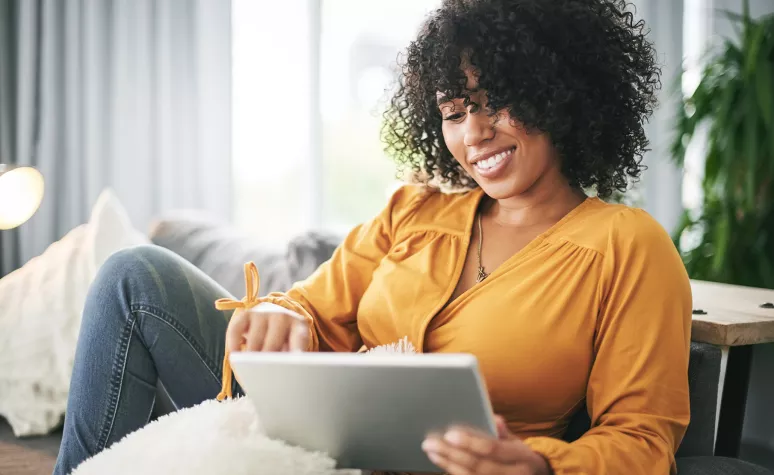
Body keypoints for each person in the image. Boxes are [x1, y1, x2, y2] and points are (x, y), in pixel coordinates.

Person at [54, 0, 692, 474]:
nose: (474, 135)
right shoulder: (415, 208)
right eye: (453, 112)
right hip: (315, 437)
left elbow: (642, 439)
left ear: (562, 94)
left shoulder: (627, 246)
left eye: (496, 102)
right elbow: (311, 305)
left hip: (455, 467)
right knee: (134, 276)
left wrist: (543, 463)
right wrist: (284, 314)